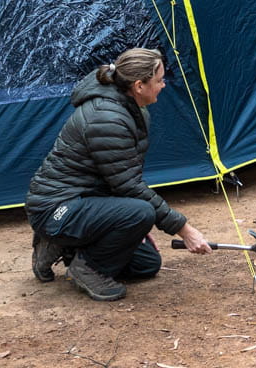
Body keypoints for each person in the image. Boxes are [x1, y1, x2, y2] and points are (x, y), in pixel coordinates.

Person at [26, 47, 212, 301]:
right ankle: (85, 267)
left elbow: (119, 176)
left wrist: (127, 222)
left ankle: (66, 246)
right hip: (55, 209)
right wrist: (183, 229)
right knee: (141, 212)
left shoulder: (131, 108)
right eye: (159, 80)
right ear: (139, 85)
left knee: (146, 265)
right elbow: (129, 186)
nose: (164, 85)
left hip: (85, 201)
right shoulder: (107, 117)